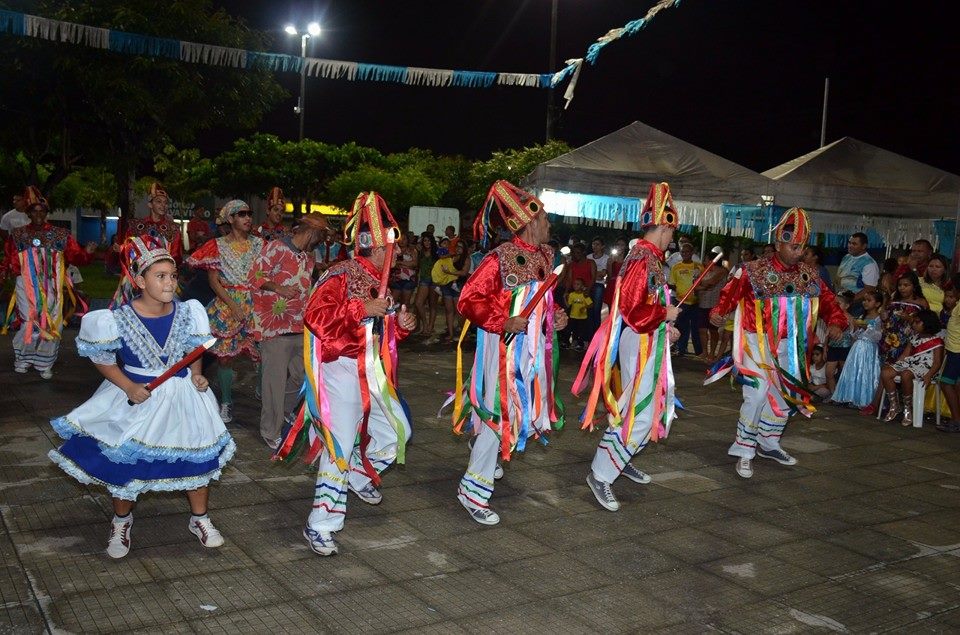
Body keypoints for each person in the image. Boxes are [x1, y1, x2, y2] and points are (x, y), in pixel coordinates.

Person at [48, 237, 233, 558]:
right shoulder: (116, 318)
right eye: (160, 276)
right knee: (127, 462)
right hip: (137, 395)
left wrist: (197, 374)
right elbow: (102, 358)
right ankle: (122, 520)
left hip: (183, 396)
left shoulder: (189, 312)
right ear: (139, 280)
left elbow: (193, 349)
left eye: (173, 276)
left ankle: (200, 518)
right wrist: (127, 385)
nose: (169, 282)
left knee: (196, 456)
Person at [278, 192, 416, 557]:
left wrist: (399, 325)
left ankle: (356, 474)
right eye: (393, 247)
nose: (398, 253)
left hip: (372, 370)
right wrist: (361, 308)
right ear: (375, 247)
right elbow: (316, 317)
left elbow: (380, 332)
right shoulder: (340, 274)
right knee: (339, 445)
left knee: (398, 430)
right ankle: (321, 523)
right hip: (339, 369)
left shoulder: (377, 279)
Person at [453, 180, 567, 525]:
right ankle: (473, 490)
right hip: (501, 349)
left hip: (532, 353)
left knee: (519, 412)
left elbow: (543, 303)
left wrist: (556, 315)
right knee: (500, 412)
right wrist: (504, 320)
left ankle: (486, 457)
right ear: (530, 222)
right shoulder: (499, 258)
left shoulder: (547, 256)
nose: (549, 224)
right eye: (545, 218)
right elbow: (468, 300)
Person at [709, 207, 847, 479]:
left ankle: (768, 442)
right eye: (794, 246)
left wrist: (837, 322)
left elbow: (829, 302)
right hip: (756, 341)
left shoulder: (810, 274)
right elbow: (729, 294)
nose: (799, 252)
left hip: (792, 346)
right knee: (758, 391)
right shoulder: (751, 270)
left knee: (789, 394)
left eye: (802, 247)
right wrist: (719, 312)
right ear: (778, 244)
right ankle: (745, 448)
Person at [574, 182, 681, 512]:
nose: (672, 237)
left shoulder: (647, 257)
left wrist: (666, 325)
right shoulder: (642, 258)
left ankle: (617, 461)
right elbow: (635, 311)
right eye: (671, 230)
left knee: (635, 407)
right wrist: (665, 313)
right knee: (641, 412)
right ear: (662, 225)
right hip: (640, 340)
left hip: (647, 338)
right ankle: (602, 474)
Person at [2, 186, 95, 378]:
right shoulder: (18, 235)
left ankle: (44, 362)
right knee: (29, 320)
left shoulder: (60, 235)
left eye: (41, 211)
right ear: (28, 213)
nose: (38, 214)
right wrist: (5, 275)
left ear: (46, 212)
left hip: (52, 286)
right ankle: (23, 358)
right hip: (25, 284)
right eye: (34, 211)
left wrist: (88, 254)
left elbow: (76, 256)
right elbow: (9, 261)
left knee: (52, 322)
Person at [253, 214, 326, 449]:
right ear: (312, 232)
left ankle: (283, 411)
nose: (322, 240)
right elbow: (254, 276)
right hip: (274, 327)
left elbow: (307, 286)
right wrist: (278, 288)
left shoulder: (309, 256)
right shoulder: (276, 247)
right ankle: (270, 430)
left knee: (302, 375)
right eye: (321, 235)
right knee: (273, 382)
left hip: (300, 325)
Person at [186, 200, 263, 424]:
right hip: (227, 305)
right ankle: (227, 402)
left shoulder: (260, 245)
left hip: (255, 304)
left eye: (249, 213)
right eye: (241, 214)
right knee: (225, 358)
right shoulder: (217, 245)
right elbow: (214, 282)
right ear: (230, 219)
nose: (248, 218)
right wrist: (233, 305)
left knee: (263, 353)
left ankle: (262, 391)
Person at [112, 182, 184, 308]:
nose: (163, 205)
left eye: (165, 203)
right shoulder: (136, 226)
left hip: (161, 277)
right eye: (158, 202)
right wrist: (122, 250)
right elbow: (129, 250)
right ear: (150, 204)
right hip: (136, 277)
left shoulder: (173, 229)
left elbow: (176, 256)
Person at [880, 309, 944, 425]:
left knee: (906, 374)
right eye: (913, 322)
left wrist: (929, 375)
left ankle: (908, 408)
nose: (913, 324)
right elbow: (905, 355)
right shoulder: (914, 337)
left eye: (917, 322)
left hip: (925, 367)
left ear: (927, 323)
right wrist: (895, 365)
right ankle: (894, 405)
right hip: (911, 363)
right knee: (886, 372)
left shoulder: (937, 341)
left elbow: (937, 363)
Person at [833, 288, 883, 412]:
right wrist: (854, 328)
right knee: (854, 371)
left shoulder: (879, 318)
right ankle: (850, 397)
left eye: (869, 300)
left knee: (865, 373)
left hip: (869, 348)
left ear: (877, 304)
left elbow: (879, 336)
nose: (865, 302)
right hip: (857, 347)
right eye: (864, 300)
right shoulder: (861, 316)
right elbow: (854, 334)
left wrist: (868, 327)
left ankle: (863, 399)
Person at [430, 241, 470, 344]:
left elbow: (464, 273)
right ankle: (451, 334)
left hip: (458, 286)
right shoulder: (451, 257)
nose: (458, 249)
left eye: (460, 247)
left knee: (459, 312)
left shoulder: (466, 259)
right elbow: (440, 257)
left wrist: (450, 272)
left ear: (464, 249)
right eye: (457, 246)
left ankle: (465, 334)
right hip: (447, 285)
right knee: (449, 310)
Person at [669, 240, 703, 357]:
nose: (685, 254)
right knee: (682, 327)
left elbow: (702, 282)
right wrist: (678, 289)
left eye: (687, 252)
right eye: (682, 252)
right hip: (681, 301)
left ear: (692, 253)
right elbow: (671, 283)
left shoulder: (698, 267)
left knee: (696, 328)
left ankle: (699, 351)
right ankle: (681, 349)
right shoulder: (676, 267)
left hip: (695, 302)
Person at [936, 288, 960, 432]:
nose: (948, 299)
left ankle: (956, 420)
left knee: (946, 383)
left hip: (957, 351)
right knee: (956, 385)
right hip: (954, 350)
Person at [837, 232, 879, 313]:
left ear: (864, 246)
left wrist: (850, 301)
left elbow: (869, 289)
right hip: (841, 302)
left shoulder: (869, 263)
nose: (850, 246)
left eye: (854, 244)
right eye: (849, 243)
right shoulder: (846, 257)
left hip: (856, 306)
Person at [697, 258, 729, 363]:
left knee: (713, 331)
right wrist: (703, 285)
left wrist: (702, 282)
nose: (705, 262)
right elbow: (696, 285)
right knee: (702, 329)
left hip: (715, 305)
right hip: (703, 303)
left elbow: (710, 282)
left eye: (707, 260)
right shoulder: (705, 271)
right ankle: (705, 351)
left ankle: (712, 353)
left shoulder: (722, 271)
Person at [824, 291, 854, 396]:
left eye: (839, 303)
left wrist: (853, 351)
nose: (836, 306)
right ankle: (833, 394)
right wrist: (824, 348)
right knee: (828, 373)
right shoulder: (832, 318)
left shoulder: (850, 318)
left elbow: (853, 335)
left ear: (847, 305)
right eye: (835, 304)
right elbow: (827, 334)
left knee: (844, 373)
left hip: (845, 348)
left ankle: (845, 396)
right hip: (833, 348)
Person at [413, 234, 438, 336]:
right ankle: (425, 324)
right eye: (425, 241)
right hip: (424, 280)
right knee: (418, 303)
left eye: (428, 241)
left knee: (433, 305)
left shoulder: (436, 252)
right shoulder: (420, 252)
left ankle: (430, 327)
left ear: (432, 241)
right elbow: (418, 266)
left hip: (435, 280)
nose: (427, 243)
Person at [586, 236, 609, 339]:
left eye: (597, 244)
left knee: (596, 309)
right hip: (588, 285)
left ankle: (596, 334)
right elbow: (587, 273)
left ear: (602, 246)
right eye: (593, 244)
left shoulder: (606, 258)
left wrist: (593, 273)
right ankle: (588, 334)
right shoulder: (588, 257)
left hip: (599, 285)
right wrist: (595, 273)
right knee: (588, 310)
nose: (595, 246)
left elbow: (603, 274)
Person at [389, 231, 419, 309]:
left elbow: (414, 264)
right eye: (400, 239)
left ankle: (404, 320)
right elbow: (393, 264)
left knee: (405, 304)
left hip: (409, 279)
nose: (402, 241)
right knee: (392, 303)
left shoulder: (412, 250)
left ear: (408, 240)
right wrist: (407, 264)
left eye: (404, 239)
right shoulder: (394, 250)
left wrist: (400, 263)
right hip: (395, 279)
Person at [564, 277, 593, 350]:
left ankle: (580, 344)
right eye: (574, 284)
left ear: (582, 286)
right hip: (573, 316)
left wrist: (584, 307)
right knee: (572, 330)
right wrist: (564, 298)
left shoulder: (585, 295)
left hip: (582, 317)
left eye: (578, 284)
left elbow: (591, 305)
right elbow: (568, 305)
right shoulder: (571, 295)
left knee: (581, 331)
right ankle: (571, 342)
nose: (575, 286)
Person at [603, 237, 628, 310]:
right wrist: (610, 264)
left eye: (622, 245)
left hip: (624, 285)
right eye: (618, 244)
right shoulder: (611, 258)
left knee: (621, 308)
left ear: (626, 246)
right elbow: (610, 275)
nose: (620, 246)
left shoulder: (628, 258)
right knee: (611, 307)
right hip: (613, 284)